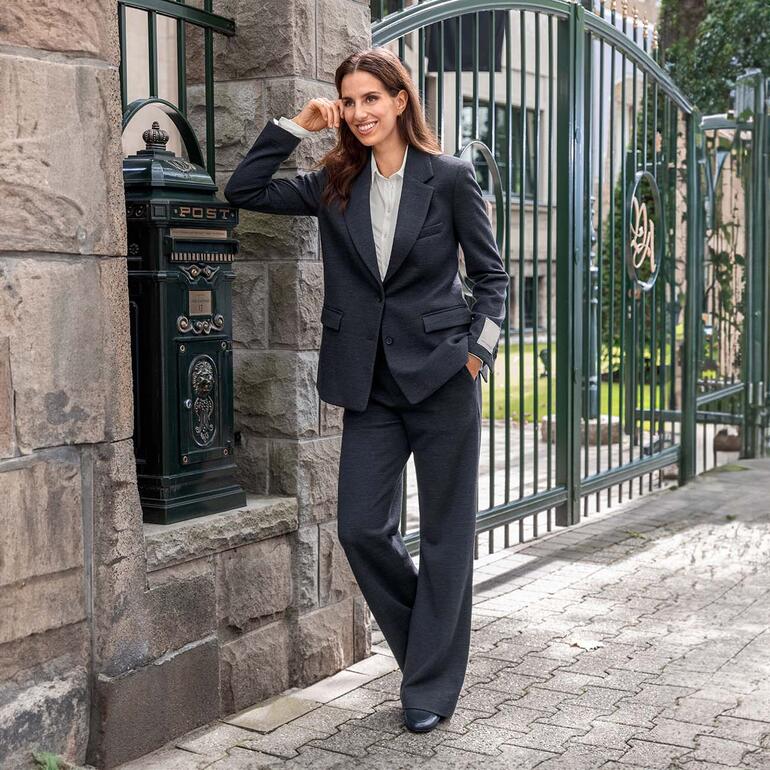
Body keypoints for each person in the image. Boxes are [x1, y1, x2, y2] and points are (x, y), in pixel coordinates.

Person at [224, 46, 509, 733]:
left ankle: (429, 690)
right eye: (348, 102)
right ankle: (429, 656)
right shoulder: (333, 182)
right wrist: (299, 123)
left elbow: (493, 282)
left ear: (400, 101)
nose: (357, 113)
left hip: (444, 380)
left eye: (370, 100)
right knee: (359, 528)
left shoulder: (449, 178)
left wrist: (477, 358)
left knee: (445, 538)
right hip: (371, 387)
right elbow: (244, 191)